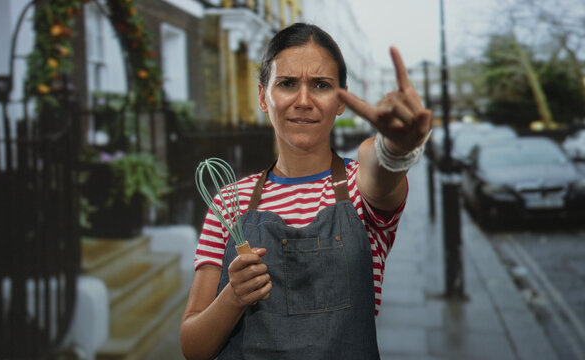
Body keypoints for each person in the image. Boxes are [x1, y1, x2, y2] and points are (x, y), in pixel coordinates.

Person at [180, 23, 432, 359]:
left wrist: (398, 147)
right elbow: (193, 347)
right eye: (286, 83)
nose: (303, 100)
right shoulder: (229, 202)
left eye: (321, 85)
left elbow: (379, 164)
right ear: (262, 97)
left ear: (341, 100)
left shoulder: (360, 191)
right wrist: (233, 296)